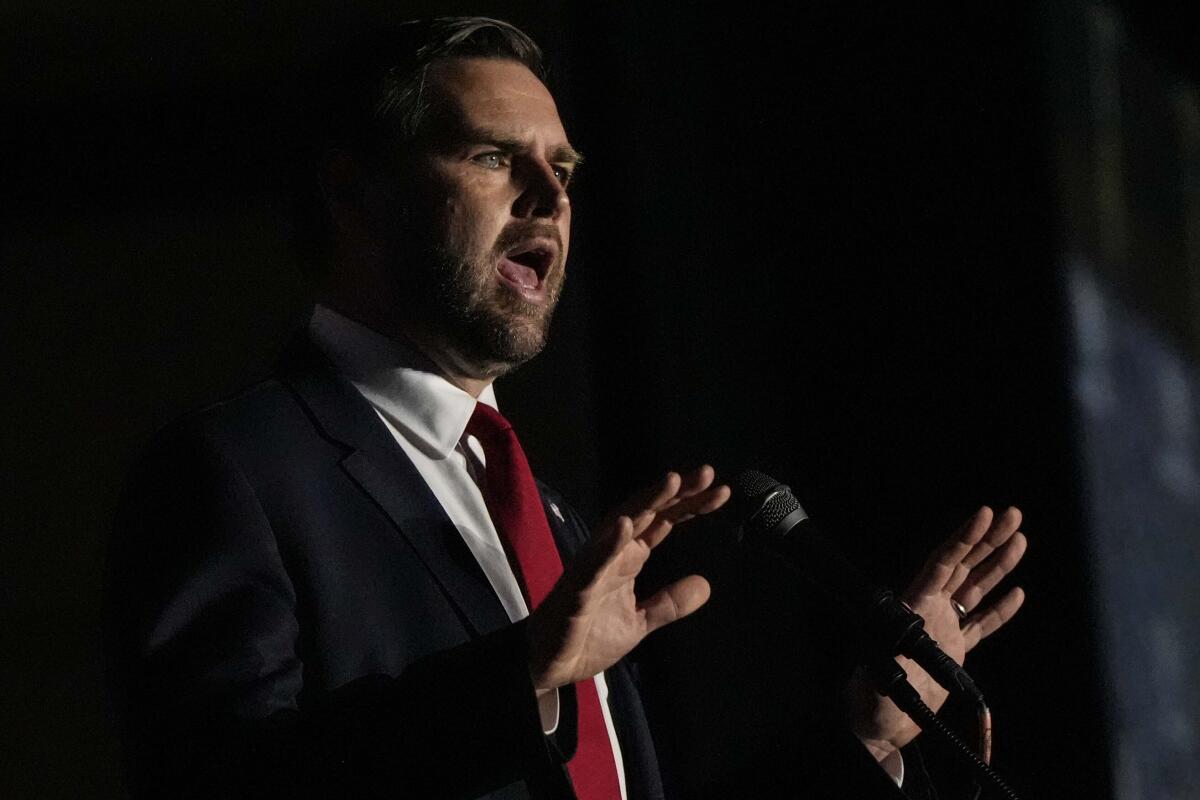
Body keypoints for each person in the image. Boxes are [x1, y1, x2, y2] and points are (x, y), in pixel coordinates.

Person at [107, 17, 1027, 799]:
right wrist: (523, 674)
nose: (550, 197)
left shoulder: (552, 520)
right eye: (492, 157)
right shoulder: (237, 471)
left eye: (564, 168)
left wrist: (862, 739)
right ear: (356, 193)